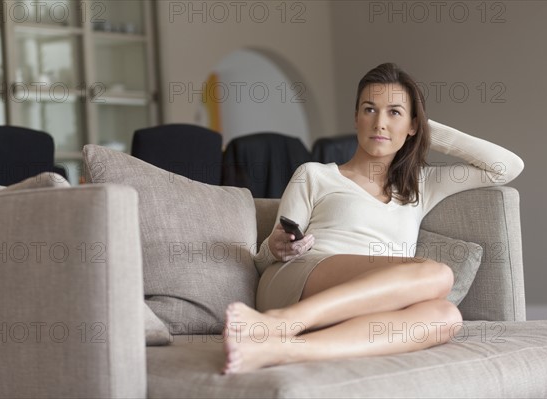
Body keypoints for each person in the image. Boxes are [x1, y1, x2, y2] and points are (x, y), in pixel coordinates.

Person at [222, 62, 524, 374]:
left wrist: (429, 131)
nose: (379, 122)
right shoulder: (314, 174)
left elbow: (505, 166)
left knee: (446, 316)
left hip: (370, 303)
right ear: (356, 118)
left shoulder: (422, 184)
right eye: (369, 109)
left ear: (413, 125)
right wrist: (276, 245)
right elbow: (263, 262)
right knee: (438, 275)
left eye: (394, 112)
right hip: (300, 278)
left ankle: (281, 349)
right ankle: (278, 323)